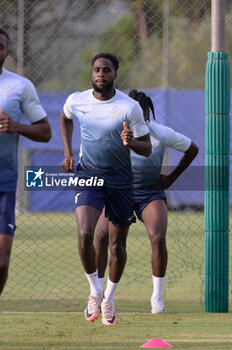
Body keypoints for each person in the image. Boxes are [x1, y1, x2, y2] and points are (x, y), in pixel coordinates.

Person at [60, 53, 151, 325]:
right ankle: (95, 291)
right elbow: (64, 118)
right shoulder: (77, 100)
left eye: (106, 70)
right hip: (89, 175)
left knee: (116, 244)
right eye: (97, 70)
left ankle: (109, 298)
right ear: (92, 73)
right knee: (85, 232)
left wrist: (131, 142)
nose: (101, 74)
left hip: (121, 181)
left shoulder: (129, 107)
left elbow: (146, 148)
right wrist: (68, 153)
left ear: (115, 74)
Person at [95, 89, 199, 313]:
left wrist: (170, 178)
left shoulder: (161, 133)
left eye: (138, 112)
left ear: (145, 114)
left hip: (150, 195)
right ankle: (100, 295)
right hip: (120, 193)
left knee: (158, 237)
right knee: (102, 237)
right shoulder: (112, 133)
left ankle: (157, 299)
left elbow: (192, 149)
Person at [0, 28, 52, 295]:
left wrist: (16, 126)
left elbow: (46, 132)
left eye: (0, 46)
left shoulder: (20, 86)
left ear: (7, 51)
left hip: (4, 184)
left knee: (1, 262)